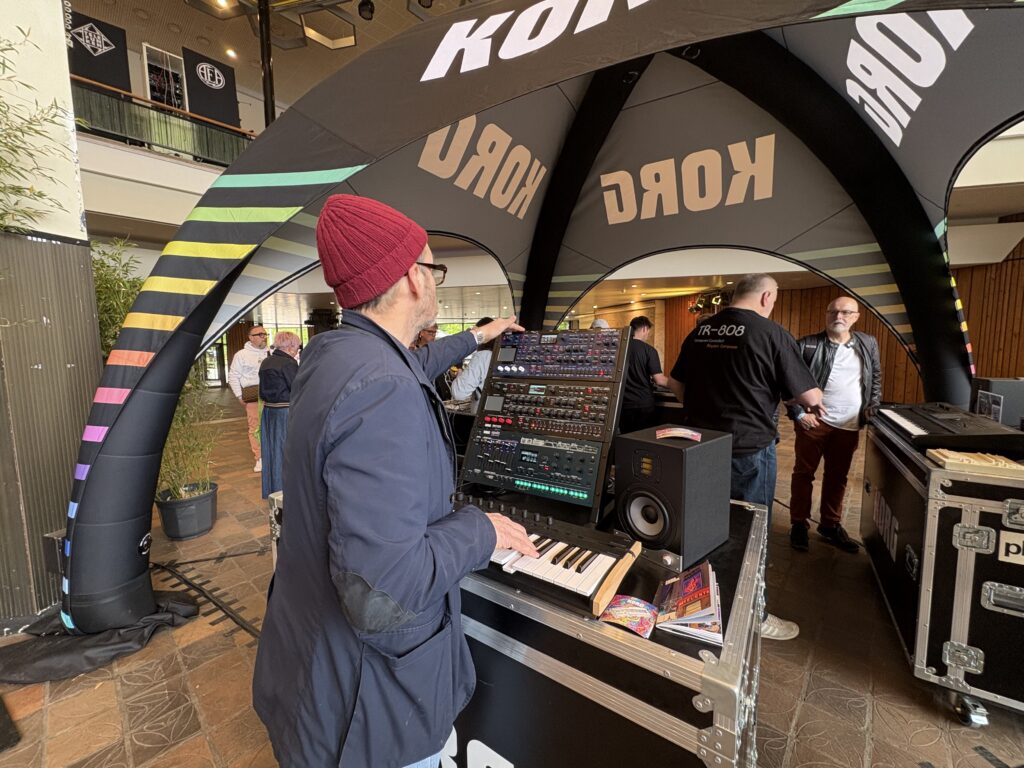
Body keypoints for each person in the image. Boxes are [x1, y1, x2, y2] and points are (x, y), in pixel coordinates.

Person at [253, 194, 538, 768]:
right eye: (434, 268)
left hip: (310, 676)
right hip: (366, 716)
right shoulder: (382, 390)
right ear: (412, 277)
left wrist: (481, 335)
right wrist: (479, 529)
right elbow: (382, 590)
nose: (435, 280)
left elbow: (415, 364)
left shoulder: (335, 355)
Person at [666, 273, 824, 642]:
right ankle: (753, 614)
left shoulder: (701, 331)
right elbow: (810, 397)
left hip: (701, 449)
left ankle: (699, 610)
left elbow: (676, 384)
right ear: (767, 296)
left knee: (703, 530)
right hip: (749, 452)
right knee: (751, 535)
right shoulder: (771, 333)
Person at [787, 296, 881, 554]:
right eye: (834, 312)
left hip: (849, 423)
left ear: (856, 317)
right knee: (803, 474)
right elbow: (787, 381)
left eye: (846, 313)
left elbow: (875, 379)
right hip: (813, 422)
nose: (839, 317)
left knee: (838, 477)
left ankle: (830, 524)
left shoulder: (868, 343)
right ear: (826, 314)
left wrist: (873, 407)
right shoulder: (808, 344)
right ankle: (798, 524)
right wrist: (798, 413)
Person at [258, 331, 300, 499]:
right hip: (285, 411)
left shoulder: (266, 362)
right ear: (290, 347)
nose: (298, 351)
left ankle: (273, 489)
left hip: (268, 412)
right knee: (286, 452)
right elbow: (298, 389)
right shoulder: (289, 364)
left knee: (271, 452)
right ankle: (286, 491)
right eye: (297, 347)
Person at [228, 325, 270, 472]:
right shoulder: (241, 354)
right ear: (250, 337)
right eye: (260, 334)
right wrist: (239, 395)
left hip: (271, 394)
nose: (263, 337)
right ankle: (259, 458)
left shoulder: (270, 353)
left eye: (265, 334)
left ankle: (272, 455)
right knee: (255, 427)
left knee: (271, 425)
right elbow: (233, 376)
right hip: (252, 396)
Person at [619, 316, 669, 434]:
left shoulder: (620, 348)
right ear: (645, 329)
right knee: (643, 439)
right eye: (648, 332)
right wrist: (677, 384)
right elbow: (659, 380)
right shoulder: (649, 350)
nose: (648, 335)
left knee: (626, 438)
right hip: (643, 404)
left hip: (622, 404)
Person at [451, 316, 494, 410]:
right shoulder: (497, 355)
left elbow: (459, 393)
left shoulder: (482, 356)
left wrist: (459, 375)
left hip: (483, 414)